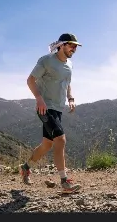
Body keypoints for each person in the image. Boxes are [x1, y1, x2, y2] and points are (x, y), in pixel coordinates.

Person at [20, 33, 82, 193]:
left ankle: (26, 167)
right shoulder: (46, 60)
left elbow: (67, 83)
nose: (74, 49)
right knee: (60, 140)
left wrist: (70, 98)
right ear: (61, 45)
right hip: (45, 108)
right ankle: (64, 181)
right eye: (71, 45)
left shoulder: (70, 65)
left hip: (58, 108)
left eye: (76, 47)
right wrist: (39, 99)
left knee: (47, 144)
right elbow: (30, 80)